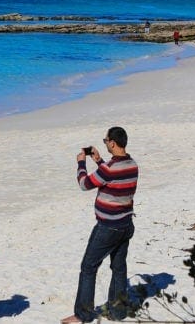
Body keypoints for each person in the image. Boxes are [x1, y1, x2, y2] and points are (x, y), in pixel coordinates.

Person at [62, 126, 138, 324]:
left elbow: (84, 184)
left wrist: (81, 164)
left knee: (88, 267)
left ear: (112, 143)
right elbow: (111, 178)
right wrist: (98, 161)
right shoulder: (132, 164)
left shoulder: (110, 169)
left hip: (108, 227)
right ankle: (119, 311)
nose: (105, 144)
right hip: (126, 224)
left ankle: (83, 314)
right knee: (119, 267)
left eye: (106, 141)